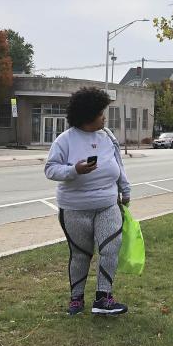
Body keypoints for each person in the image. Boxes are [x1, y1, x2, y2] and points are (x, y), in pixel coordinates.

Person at [45, 87, 131, 316]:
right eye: (101, 113)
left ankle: (103, 298)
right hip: (75, 208)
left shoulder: (108, 136)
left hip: (107, 204)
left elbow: (118, 165)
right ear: (88, 116)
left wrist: (125, 190)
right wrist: (75, 170)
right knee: (81, 254)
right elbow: (50, 169)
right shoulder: (65, 140)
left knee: (111, 247)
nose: (105, 117)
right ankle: (76, 299)